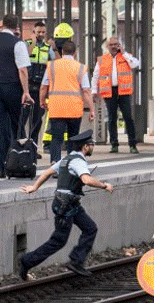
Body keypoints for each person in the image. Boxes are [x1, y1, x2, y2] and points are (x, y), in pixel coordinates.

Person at [17, 130, 113, 280]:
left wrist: (34, 187)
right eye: (92, 145)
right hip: (66, 205)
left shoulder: (67, 158)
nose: (93, 147)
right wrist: (104, 185)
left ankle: (76, 261)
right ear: (85, 146)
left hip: (70, 204)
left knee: (90, 228)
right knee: (58, 241)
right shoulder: (78, 161)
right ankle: (27, 260)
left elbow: (48, 172)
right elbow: (87, 180)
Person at [0, 13, 33, 178]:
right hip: (12, 87)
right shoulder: (18, 44)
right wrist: (26, 92)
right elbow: (22, 69)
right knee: (16, 125)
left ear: (2, 25)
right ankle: (16, 163)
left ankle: (0, 167)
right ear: (16, 27)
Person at [40, 40, 93, 163]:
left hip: (56, 109)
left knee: (56, 138)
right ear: (75, 53)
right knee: (73, 138)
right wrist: (92, 109)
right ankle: (71, 163)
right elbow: (86, 90)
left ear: (62, 52)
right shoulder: (80, 67)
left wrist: (42, 101)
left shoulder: (52, 66)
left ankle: (55, 163)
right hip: (74, 109)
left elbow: (43, 86)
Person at [91, 36, 140, 153]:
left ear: (119, 45)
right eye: (111, 45)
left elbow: (135, 64)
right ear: (107, 47)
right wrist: (93, 91)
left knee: (128, 117)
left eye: (116, 44)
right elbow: (96, 76)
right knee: (112, 118)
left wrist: (125, 54)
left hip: (123, 91)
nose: (113, 47)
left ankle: (132, 144)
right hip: (109, 91)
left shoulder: (125, 57)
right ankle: (114, 144)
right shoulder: (102, 59)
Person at [25, 21, 54, 144]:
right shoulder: (27, 44)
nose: (41, 34)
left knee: (37, 119)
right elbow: (26, 55)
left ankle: (33, 145)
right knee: (22, 118)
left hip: (40, 88)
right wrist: (33, 42)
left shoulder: (48, 48)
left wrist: (54, 48)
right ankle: (20, 146)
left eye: (43, 32)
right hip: (27, 87)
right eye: (38, 32)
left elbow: (56, 63)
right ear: (33, 32)